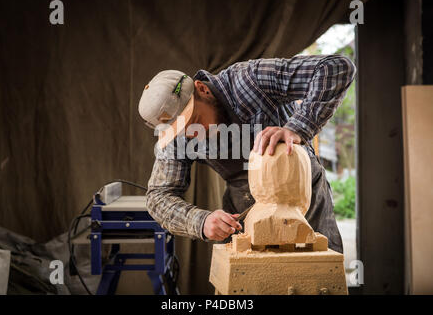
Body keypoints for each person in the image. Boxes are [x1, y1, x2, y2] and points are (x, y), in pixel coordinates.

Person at [138, 55, 356, 253]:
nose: (191, 136)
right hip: (244, 205)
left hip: (301, 196)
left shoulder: (249, 80)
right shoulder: (177, 139)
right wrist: (200, 221)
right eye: (180, 132)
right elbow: (159, 197)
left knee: (317, 275)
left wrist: (297, 128)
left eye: (194, 122)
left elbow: (336, 68)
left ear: (202, 89)